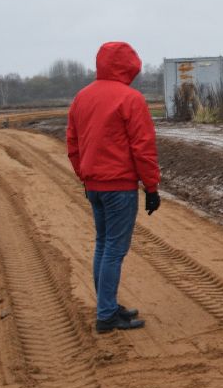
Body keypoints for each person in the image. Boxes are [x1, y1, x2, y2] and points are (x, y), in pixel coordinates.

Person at [66, 41, 161, 334]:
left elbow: (73, 143)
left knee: (103, 245)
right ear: (130, 66)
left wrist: (85, 175)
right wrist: (152, 186)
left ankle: (107, 305)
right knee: (113, 250)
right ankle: (106, 315)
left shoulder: (81, 97)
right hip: (119, 186)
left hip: (94, 185)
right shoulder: (130, 99)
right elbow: (142, 147)